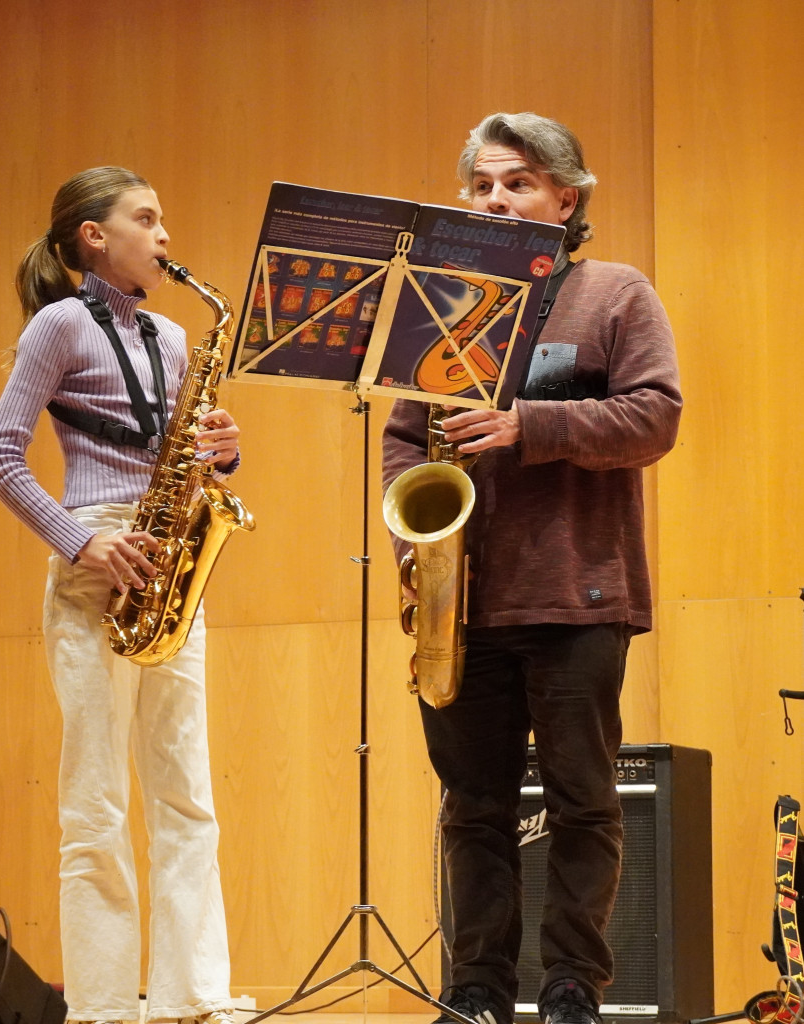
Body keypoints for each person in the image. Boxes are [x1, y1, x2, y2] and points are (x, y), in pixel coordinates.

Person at [382, 113, 682, 1024]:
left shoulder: (617, 294)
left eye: (514, 183)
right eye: (480, 185)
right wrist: (416, 552)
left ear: (567, 197)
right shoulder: (440, 307)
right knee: (470, 808)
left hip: (577, 592)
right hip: (462, 604)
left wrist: (530, 424)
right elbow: (402, 442)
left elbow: (655, 416)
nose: (494, 201)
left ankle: (569, 989)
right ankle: (474, 989)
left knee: (581, 801)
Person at [0, 167, 241, 1024]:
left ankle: (190, 994)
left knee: (185, 791)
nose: (165, 235)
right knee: (95, 799)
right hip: (95, 555)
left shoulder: (171, 336)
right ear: (94, 236)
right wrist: (80, 539)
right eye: (147, 218)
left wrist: (222, 454)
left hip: (170, 557)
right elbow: (0, 457)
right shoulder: (57, 324)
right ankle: (101, 1007)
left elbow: (183, 459)